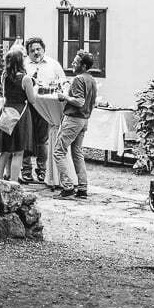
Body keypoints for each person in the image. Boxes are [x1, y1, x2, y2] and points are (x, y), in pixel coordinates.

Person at [21, 37, 67, 183]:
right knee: (25, 139)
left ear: (43, 49)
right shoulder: (23, 65)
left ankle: (42, 170)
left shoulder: (53, 64)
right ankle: (26, 170)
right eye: (32, 50)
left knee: (42, 139)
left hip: (46, 106)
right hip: (27, 105)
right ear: (27, 52)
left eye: (38, 49)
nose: (35, 52)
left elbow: (64, 82)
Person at [55, 51, 98, 198]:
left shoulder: (78, 79)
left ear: (83, 66)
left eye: (76, 61)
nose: (73, 63)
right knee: (77, 152)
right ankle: (82, 188)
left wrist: (64, 96)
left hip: (73, 119)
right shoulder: (92, 79)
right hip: (84, 120)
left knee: (58, 151)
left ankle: (67, 187)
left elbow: (80, 101)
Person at [0, 46, 35, 180]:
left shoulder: (4, 76)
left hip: (6, 112)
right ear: (20, 61)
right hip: (20, 115)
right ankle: (13, 183)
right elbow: (32, 100)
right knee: (18, 152)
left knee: (5, 151)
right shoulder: (25, 79)